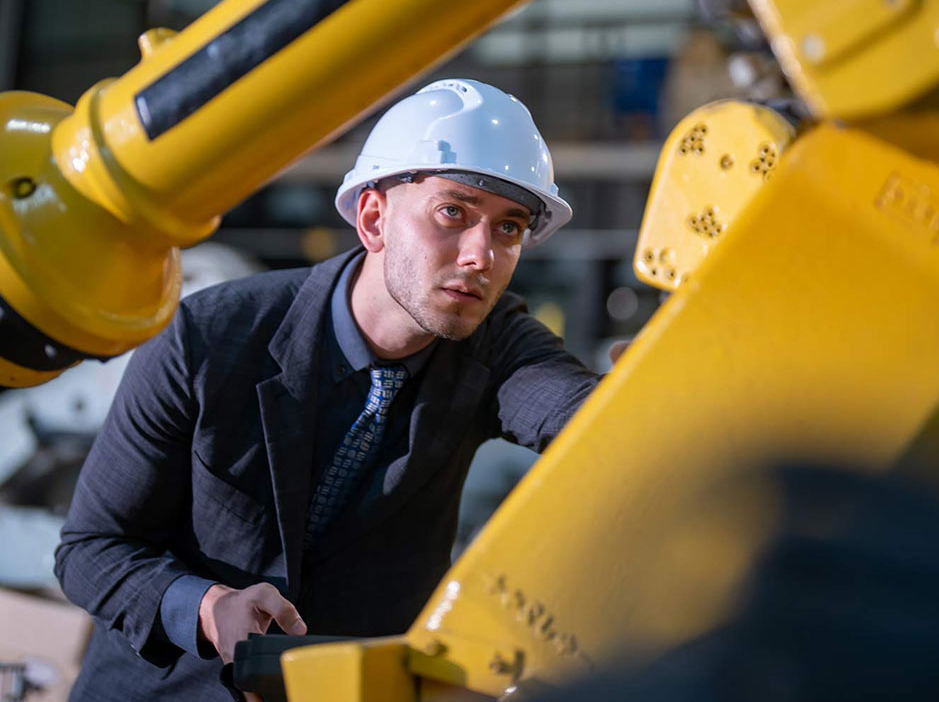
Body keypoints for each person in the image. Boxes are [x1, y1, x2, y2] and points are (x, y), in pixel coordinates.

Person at [55, 78, 601, 701]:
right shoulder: (207, 338)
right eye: (454, 212)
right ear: (373, 219)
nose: (482, 254)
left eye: (509, 229)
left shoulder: (495, 345)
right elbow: (91, 549)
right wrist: (206, 608)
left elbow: (596, 423)